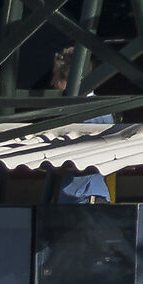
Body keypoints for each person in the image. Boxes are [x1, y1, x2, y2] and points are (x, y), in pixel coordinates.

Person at [49, 46, 113, 205]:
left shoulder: (94, 112)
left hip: (85, 198)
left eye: (55, 75)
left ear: (68, 76)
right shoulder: (97, 109)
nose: (52, 82)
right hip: (80, 195)